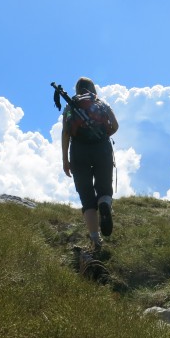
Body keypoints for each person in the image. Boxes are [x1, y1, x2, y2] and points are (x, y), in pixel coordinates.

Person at [61, 77, 119, 251]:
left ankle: (96, 240)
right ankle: (104, 203)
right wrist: (104, 135)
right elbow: (115, 126)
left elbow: (66, 133)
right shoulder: (101, 104)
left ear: (77, 90)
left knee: (87, 197)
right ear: (93, 88)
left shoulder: (70, 107)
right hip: (102, 149)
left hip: (79, 152)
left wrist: (65, 159)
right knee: (104, 188)